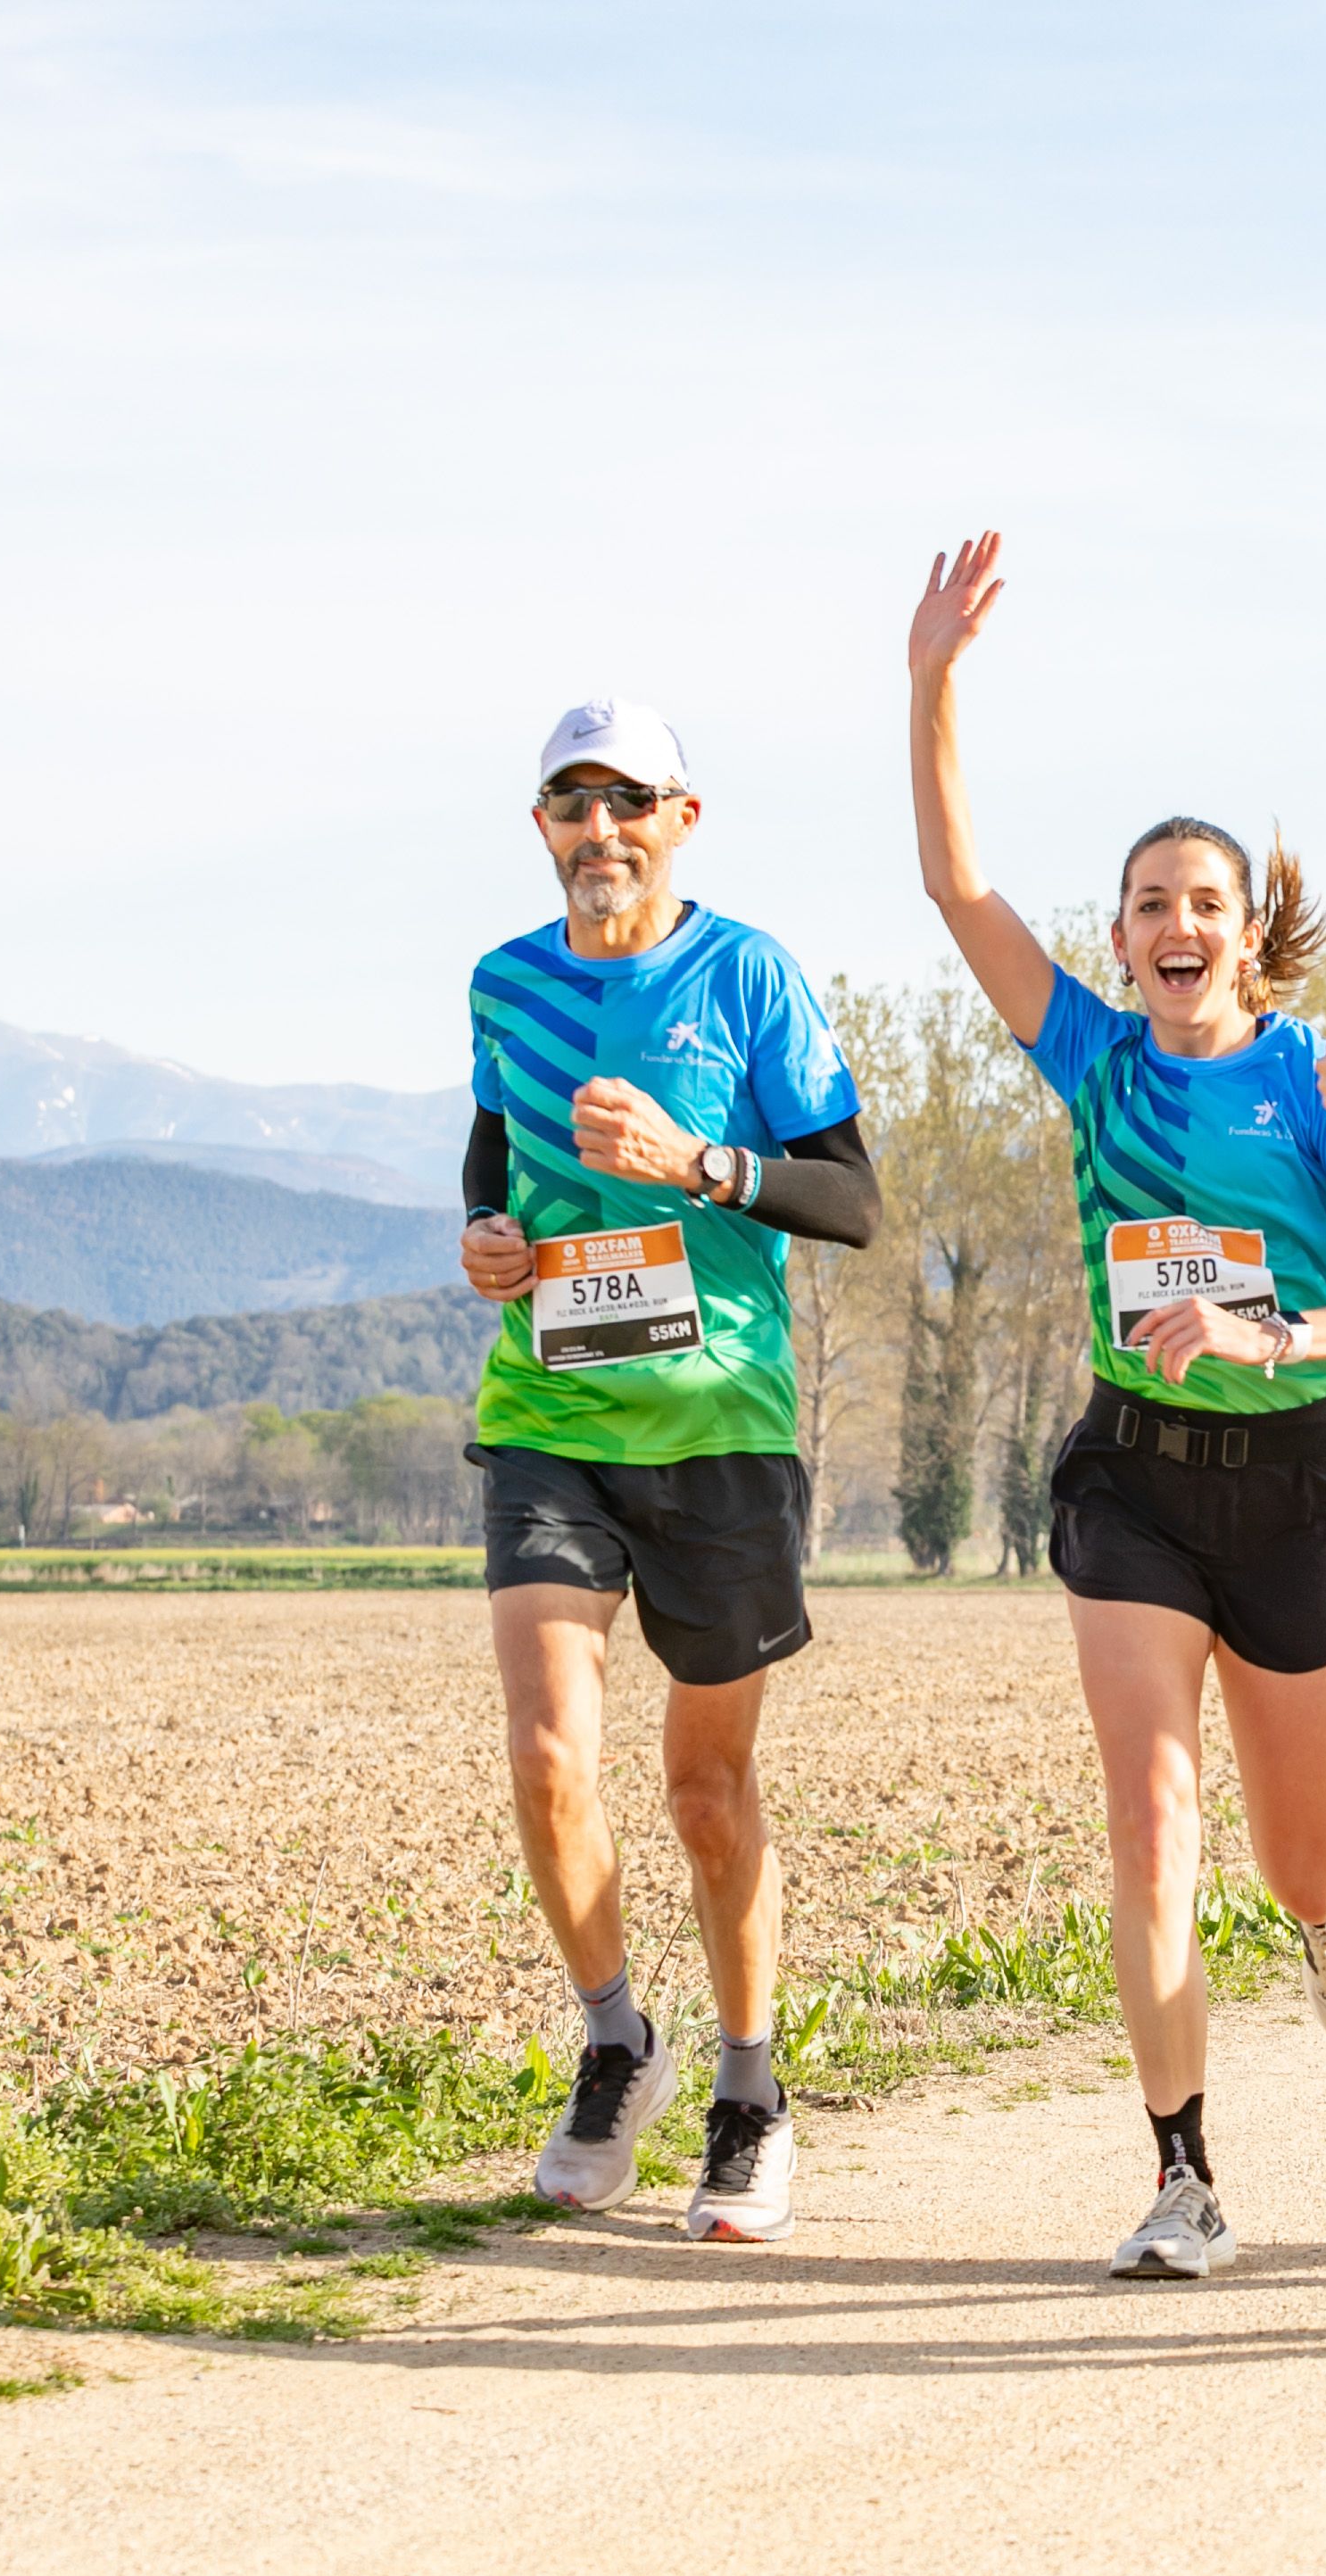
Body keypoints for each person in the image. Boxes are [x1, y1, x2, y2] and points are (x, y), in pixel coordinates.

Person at [905, 532, 1326, 2284]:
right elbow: (954, 891)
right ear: (1124, 937)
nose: (1170, 927)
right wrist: (931, 682)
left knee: (1298, 1856)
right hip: (1137, 1481)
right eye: (1145, 904)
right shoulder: (1094, 1053)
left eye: (1199, 904)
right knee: (1151, 1813)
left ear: (1244, 934)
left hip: (1300, 1476)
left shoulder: (1316, 1076)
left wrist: (1283, 1334)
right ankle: (1183, 2174)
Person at [460, 700, 883, 2244]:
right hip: (552, 1415)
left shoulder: (748, 976)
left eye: (627, 803)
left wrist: (696, 1164)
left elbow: (851, 1200)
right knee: (550, 1756)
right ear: (544, 830)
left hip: (720, 1426)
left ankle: (752, 2091)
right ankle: (616, 2038)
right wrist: (489, 1244)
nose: (600, 833)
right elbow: (492, 1153)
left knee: (706, 1793)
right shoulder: (504, 984)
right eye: (573, 808)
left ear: (682, 818)